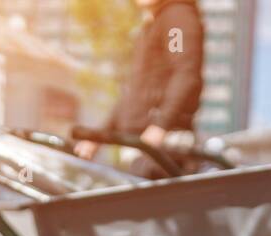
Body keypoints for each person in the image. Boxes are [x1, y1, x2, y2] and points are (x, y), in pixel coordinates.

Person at [75, 0, 204, 178]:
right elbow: (132, 96)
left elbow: (185, 73)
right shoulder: (152, 24)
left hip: (162, 148)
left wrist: (161, 125)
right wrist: (100, 136)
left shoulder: (176, 18)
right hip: (142, 145)